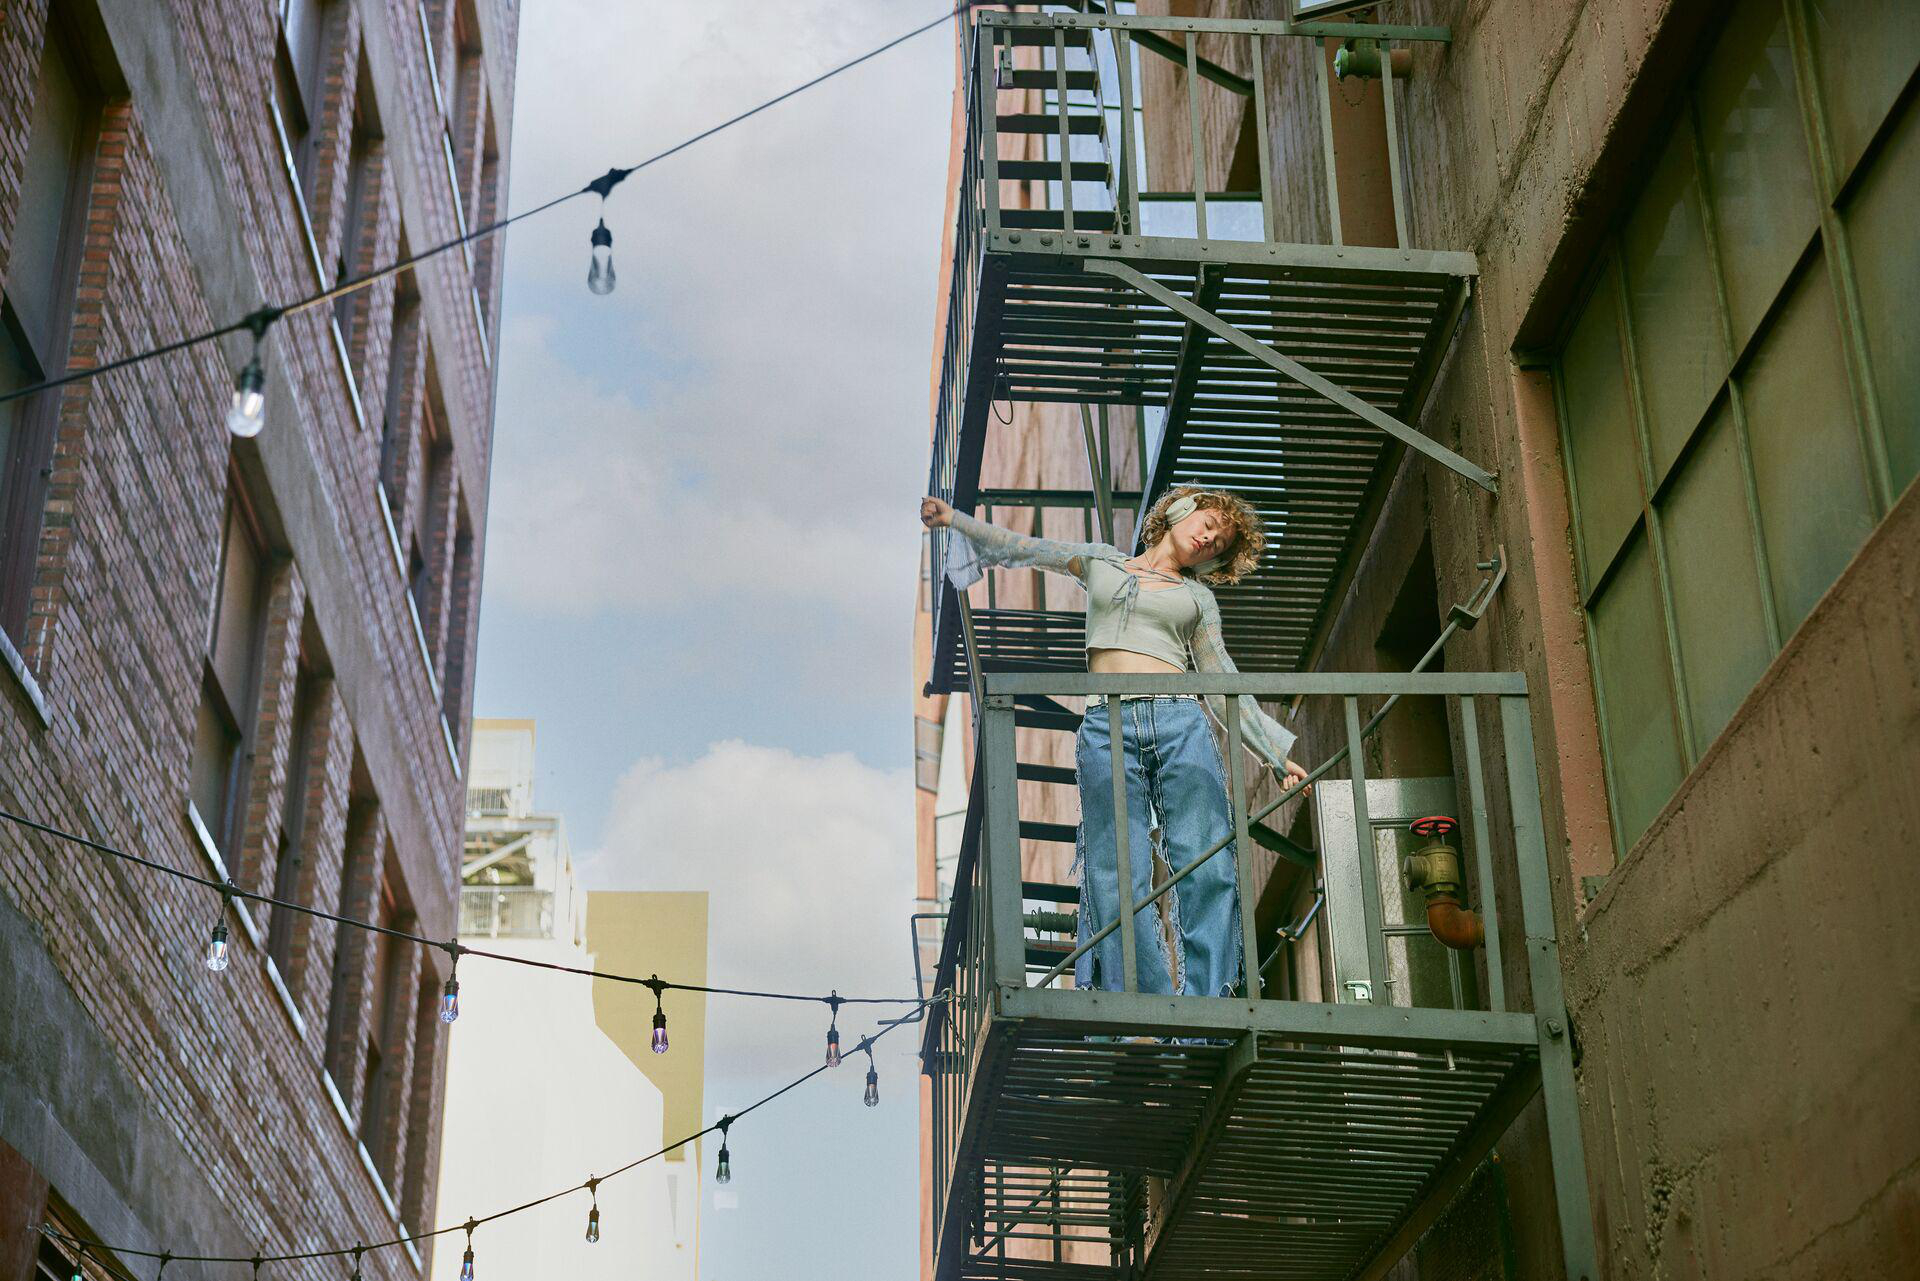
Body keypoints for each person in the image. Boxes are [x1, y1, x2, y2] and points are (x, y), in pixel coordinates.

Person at [920, 487, 1309, 998]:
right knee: (1113, 872)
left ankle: (1207, 1008)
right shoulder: (1103, 564)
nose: (1210, 538)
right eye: (1209, 523)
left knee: (1207, 862)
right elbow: (1023, 547)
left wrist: (1276, 756)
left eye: (1220, 543)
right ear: (1178, 512)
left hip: (1179, 724)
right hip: (1108, 725)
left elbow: (1221, 678)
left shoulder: (1197, 598)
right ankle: (1141, 1000)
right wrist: (956, 521)